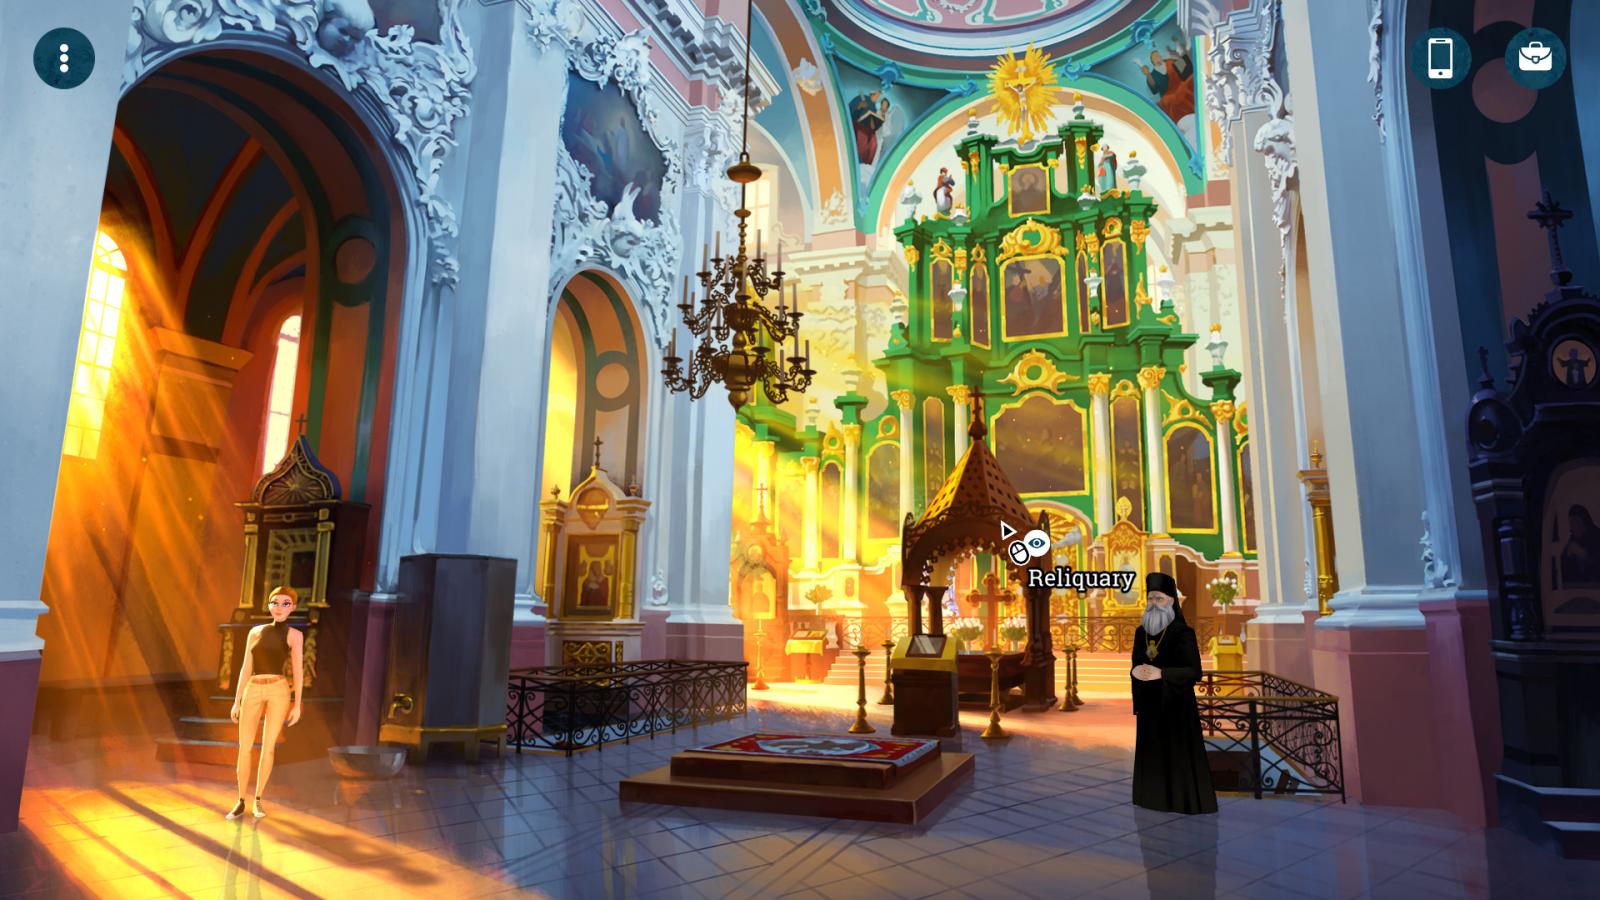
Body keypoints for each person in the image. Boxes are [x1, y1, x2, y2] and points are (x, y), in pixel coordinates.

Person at [1130, 572, 1217, 814]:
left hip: (1176, 706)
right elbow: (1136, 663)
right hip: (1150, 706)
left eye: (1159, 599)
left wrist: (1162, 673)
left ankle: (1180, 801)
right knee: (1152, 752)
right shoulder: (1141, 632)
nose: (1153, 604)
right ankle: (1151, 798)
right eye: (1150, 599)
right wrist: (1135, 672)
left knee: (1176, 754)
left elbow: (1194, 671)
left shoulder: (1182, 633)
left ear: (1170, 600)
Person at [228, 586, 304, 819]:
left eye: (285, 603)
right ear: (268, 605)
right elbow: (246, 667)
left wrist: (297, 704)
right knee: (245, 746)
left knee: (268, 747)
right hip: (253, 687)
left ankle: (258, 800)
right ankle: (240, 799)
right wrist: (237, 701)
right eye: (275, 602)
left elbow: (298, 671)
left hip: (278, 689)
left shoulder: (294, 635)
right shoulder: (255, 632)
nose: (279, 608)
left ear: (293, 607)